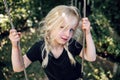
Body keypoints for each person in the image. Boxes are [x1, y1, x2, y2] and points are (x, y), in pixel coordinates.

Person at [9, 5, 96, 80]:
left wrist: (87, 33)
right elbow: (18, 67)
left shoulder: (71, 44)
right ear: (50, 25)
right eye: (62, 27)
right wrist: (15, 46)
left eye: (71, 30)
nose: (67, 34)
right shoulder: (39, 48)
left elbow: (91, 57)